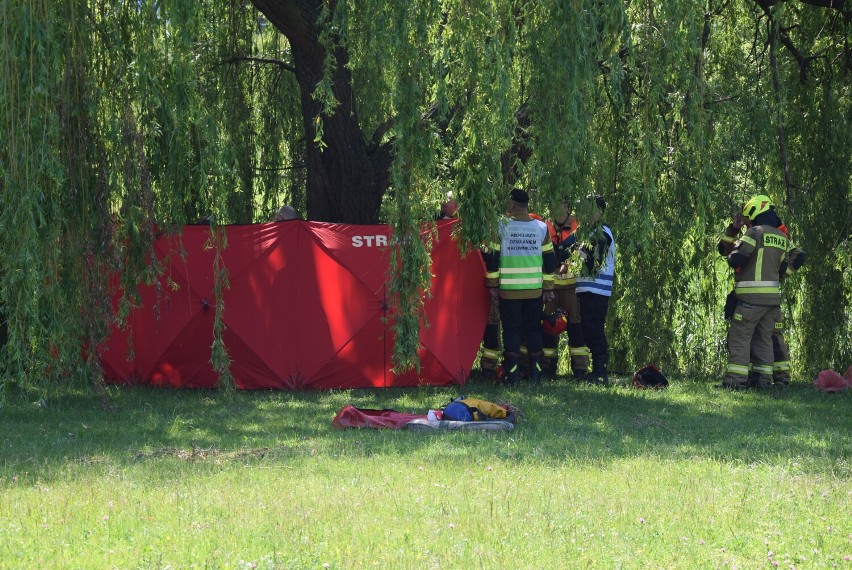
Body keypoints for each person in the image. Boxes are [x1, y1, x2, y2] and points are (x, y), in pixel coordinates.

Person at [718, 196, 806, 387]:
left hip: (750, 299)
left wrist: (734, 250)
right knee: (764, 339)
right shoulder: (781, 237)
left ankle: (735, 381)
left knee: (740, 337)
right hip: (771, 301)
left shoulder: (754, 233)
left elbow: (735, 259)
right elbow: (798, 256)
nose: (745, 223)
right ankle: (762, 381)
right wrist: (782, 274)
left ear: (754, 214)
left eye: (746, 219)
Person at [483, 189, 556, 385]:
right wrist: (548, 288)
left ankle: (513, 376)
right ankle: (536, 376)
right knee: (533, 330)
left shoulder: (501, 226)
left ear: (513, 204)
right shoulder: (541, 228)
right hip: (534, 291)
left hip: (509, 292)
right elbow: (550, 261)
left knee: (512, 332)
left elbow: (493, 259)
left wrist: (492, 284)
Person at [544, 204, 590, 377]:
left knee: (575, 327)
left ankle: (580, 369)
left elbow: (586, 256)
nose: (559, 210)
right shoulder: (545, 226)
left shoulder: (578, 227)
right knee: (549, 326)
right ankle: (548, 368)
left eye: (562, 206)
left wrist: (571, 262)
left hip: (572, 286)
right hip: (551, 287)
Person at [574, 195, 615, 385]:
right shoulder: (588, 232)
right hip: (587, 287)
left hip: (597, 288)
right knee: (587, 329)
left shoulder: (603, 232)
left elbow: (595, 260)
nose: (585, 214)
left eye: (589, 210)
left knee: (594, 328)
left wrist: (578, 253)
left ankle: (600, 371)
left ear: (599, 212)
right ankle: (596, 369)